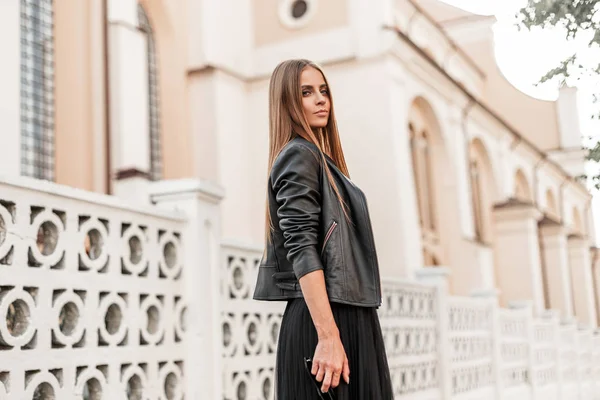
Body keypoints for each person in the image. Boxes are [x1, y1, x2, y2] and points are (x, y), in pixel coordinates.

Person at [253, 59, 393, 399]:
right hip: (327, 320)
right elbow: (301, 247)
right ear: (287, 102)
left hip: (347, 315)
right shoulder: (299, 155)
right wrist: (329, 337)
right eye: (306, 92)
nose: (321, 100)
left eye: (324, 90)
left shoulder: (321, 160)